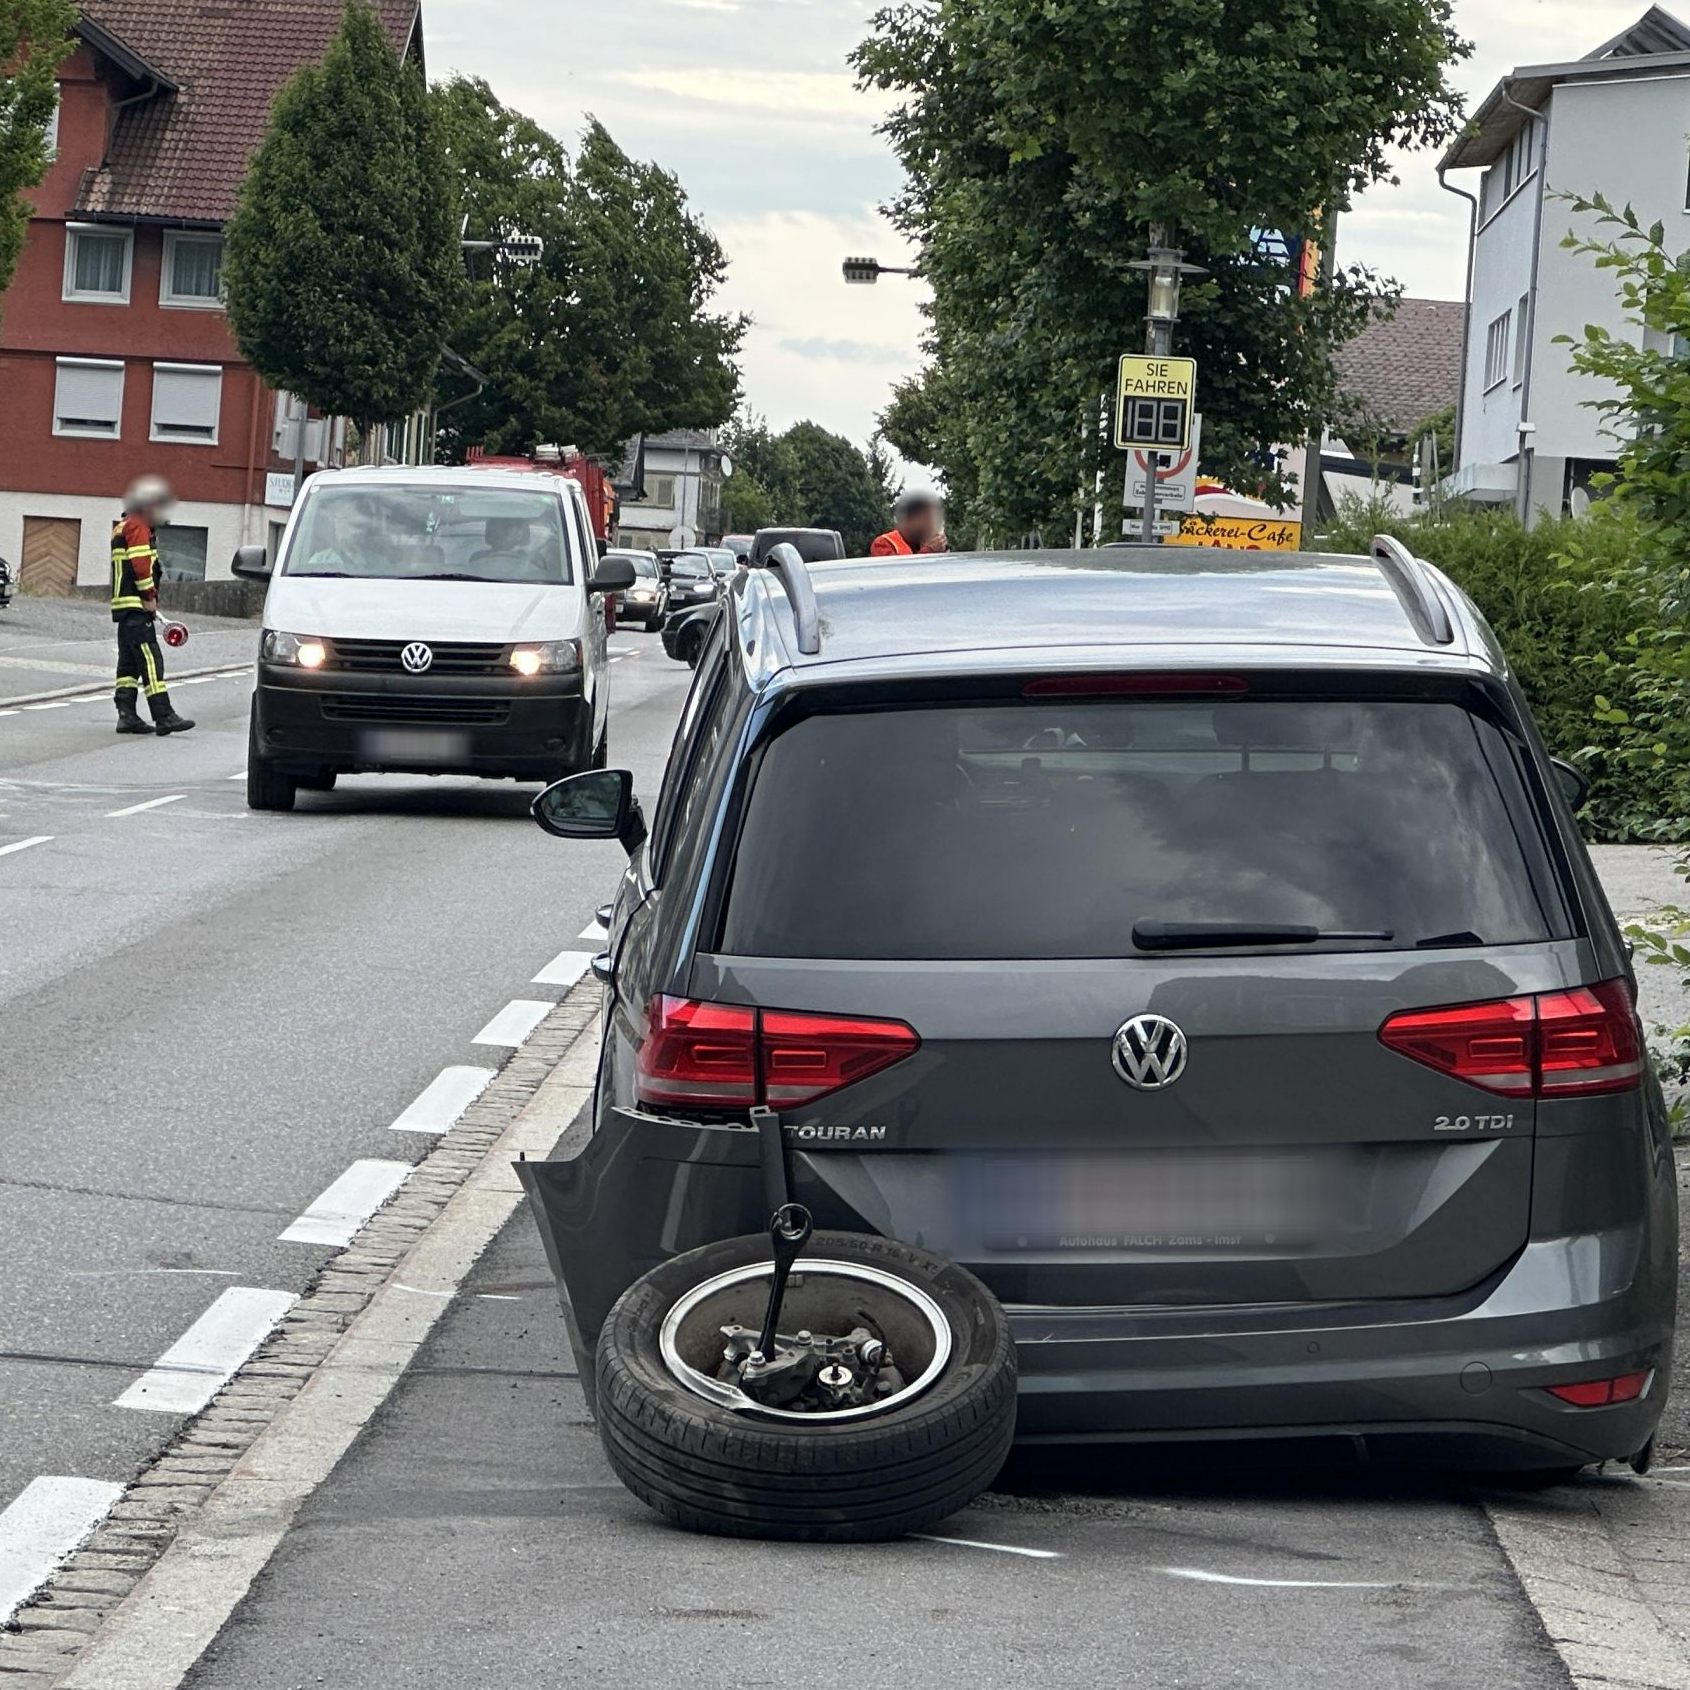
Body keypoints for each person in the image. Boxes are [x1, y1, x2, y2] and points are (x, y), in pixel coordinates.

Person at [111, 476, 194, 737]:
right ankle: (164, 715)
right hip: (137, 606)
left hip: (124, 609)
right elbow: (140, 565)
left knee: (128, 664)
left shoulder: (122, 526)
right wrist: (149, 595)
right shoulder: (137, 526)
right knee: (150, 660)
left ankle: (127, 716)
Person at [870, 490, 949, 557]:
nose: (931, 525)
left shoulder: (924, 543)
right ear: (909, 520)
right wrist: (929, 550)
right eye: (926, 518)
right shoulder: (884, 544)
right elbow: (896, 573)